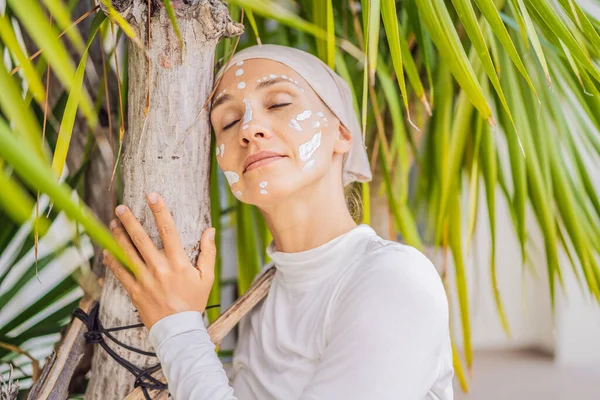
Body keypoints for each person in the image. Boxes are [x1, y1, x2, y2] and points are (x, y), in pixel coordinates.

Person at [102, 44, 454, 400]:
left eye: (279, 103)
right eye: (228, 121)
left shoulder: (394, 279)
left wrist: (177, 328)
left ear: (342, 133)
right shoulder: (264, 294)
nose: (249, 128)